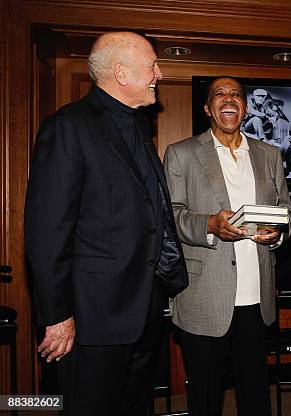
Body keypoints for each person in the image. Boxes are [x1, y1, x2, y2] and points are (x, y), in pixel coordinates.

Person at [24, 32, 188, 415]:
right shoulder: (69, 127)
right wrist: (58, 317)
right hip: (92, 319)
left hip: (143, 311)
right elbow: (48, 233)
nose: (159, 75)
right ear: (121, 73)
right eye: (152, 65)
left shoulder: (138, 127)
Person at [163, 77, 291, 416]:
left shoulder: (269, 155)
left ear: (245, 107)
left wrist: (276, 234)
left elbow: (285, 214)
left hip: (256, 297)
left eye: (236, 94)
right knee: (205, 398)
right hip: (204, 298)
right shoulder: (181, 154)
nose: (228, 98)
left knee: (255, 395)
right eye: (219, 94)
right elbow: (171, 217)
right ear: (207, 108)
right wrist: (210, 225)